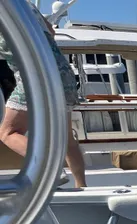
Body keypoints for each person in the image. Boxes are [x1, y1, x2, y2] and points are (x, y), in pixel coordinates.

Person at [0, 2, 86, 187]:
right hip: (63, 73)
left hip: (35, 75)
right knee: (67, 139)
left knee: (8, 132)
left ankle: (51, 169)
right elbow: (51, 32)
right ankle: (82, 186)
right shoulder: (24, 6)